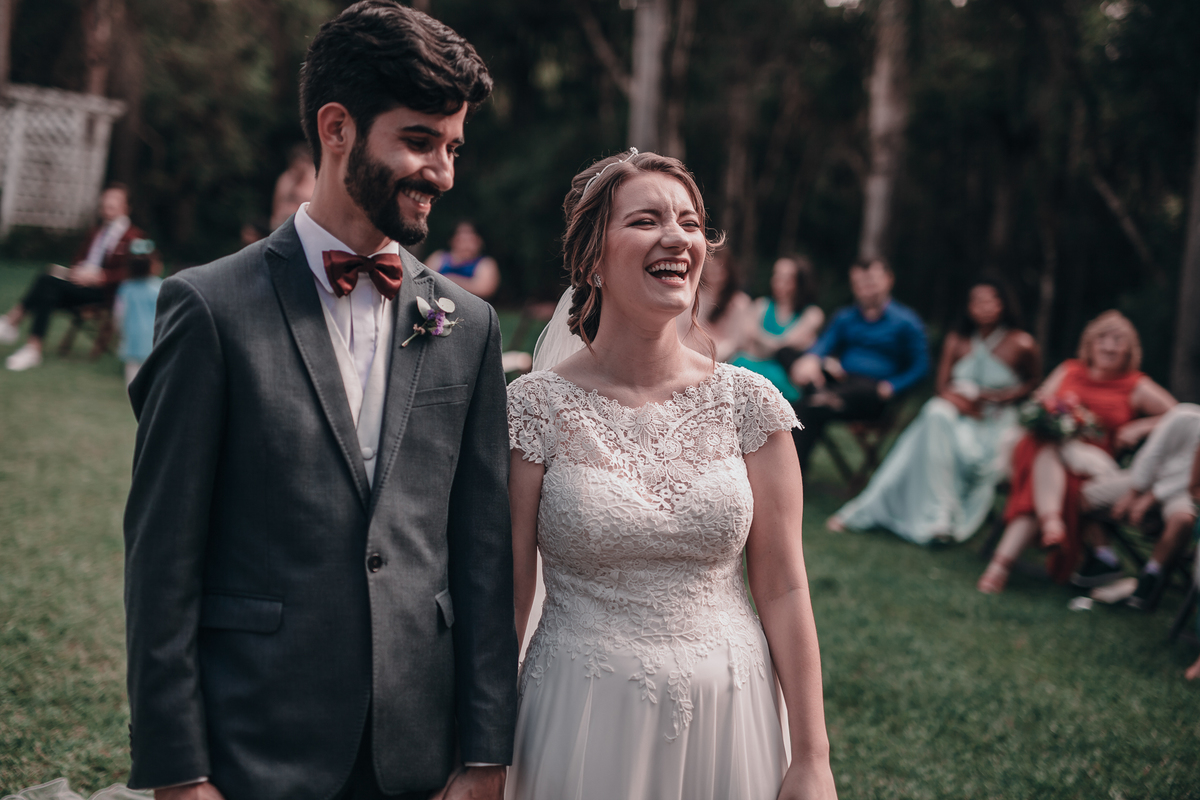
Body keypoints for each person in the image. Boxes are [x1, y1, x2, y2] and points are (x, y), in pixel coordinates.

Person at [123, 4, 514, 800]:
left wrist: (485, 754)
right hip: (256, 744)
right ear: (337, 128)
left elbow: (481, 555)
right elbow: (161, 562)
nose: (442, 172)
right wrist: (178, 773)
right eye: (419, 140)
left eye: (453, 147)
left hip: (417, 750)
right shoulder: (209, 309)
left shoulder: (469, 325)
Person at [505, 150, 838, 800]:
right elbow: (508, 598)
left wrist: (812, 756)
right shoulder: (532, 408)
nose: (678, 238)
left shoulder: (750, 404)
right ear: (592, 259)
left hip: (729, 714)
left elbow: (784, 588)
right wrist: (483, 752)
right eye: (646, 220)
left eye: (690, 223)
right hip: (578, 712)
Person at [829, 277, 1041, 544]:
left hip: (995, 422)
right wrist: (964, 404)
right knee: (936, 412)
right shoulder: (958, 340)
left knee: (931, 422)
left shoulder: (1022, 343)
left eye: (991, 300)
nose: (984, 307)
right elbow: (942, 387)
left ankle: (937, 513)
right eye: (977, 301)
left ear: (1004, 304)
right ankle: (931, 513)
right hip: (956, 415)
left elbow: (1032, 385)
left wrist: (993, 398)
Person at [977, 311, 1175, 594]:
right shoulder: (1069, 370)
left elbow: (1180, 417)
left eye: (1118, 341)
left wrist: (1142, 426)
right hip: (1042, 450)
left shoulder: (1136, 385)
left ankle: (1002, 564)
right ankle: (1049, 527)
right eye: (1102, 338)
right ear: (1090, 343)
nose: (1109, 347)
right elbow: (1040, 404)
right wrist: (1054, 416)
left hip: (1090, 467)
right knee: (1044, 444)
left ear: (1129, 350)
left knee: (1051, 476)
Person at [785, 258, 929, 472]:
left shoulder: (907, 322)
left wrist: (892, 386)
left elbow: (921, 367)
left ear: (889, 280)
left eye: (871, 282)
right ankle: (824, 398)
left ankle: (821, 398)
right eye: (858, 283)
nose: (864, 289)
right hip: (841, 382)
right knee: (789, 354)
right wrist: (813, 360)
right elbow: (823, 345)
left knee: (806, 409)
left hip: (872, 394)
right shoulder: (845, 317)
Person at [0, 184, 145, 371]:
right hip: (80, 284)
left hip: (103, 292)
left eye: (114, 200)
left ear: (126, 207)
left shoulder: (134, 236)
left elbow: (137, 271)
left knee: (47, 280)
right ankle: (32, 348)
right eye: (106, 199)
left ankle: (13, 324)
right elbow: (78, 258)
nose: (108, 204)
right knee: (49, 285)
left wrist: (102, 277)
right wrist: (79, 271)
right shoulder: (96, 232)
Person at [1079, 403, 1200, 610]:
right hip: (1146, 479)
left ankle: (1151, 574)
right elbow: (1152, 453)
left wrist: (1152, 497)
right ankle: (1105, 557)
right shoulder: (1184, 415)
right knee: (1085, 495)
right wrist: (1134, 493)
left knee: (1182, 519)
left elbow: (1193, 483)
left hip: (1181, 492)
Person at [729, 255, 823, 402]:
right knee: (737, 364)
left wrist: (759, 337)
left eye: (786, 277)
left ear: (799, 282)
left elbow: (783, 346)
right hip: (754, 363)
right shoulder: (761, 305)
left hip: (786, 375)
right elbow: (747, 342)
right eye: (776, 275)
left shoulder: (812, 314)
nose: (778, 281)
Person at [678, 247, 751, 363]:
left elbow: (737, 341)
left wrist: (714, 355)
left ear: (728, 272)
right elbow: (679, 330)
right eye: (711, 268)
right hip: (688, 354)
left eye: (719, 268)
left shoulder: (739, 303)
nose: (715, 273)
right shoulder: (691, 297)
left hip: (723, 359)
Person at [113, 239, 163, 387]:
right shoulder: (159, 287)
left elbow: (119, 314)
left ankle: (133, 395)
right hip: (154, 337)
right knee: (154, 374)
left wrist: (119, 332)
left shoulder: (126, 288)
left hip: (132, 336)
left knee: (132, 371)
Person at [426, 220, 501, 299]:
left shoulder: (486, 263)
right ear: (452, 240)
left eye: (470, 240)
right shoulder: (439, 256)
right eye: (461, 239)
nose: (465, 245)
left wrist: (450, 280)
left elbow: (484, 289)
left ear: (479, 241)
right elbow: (424, 279)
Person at [270, 143, 317, 229]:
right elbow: (277, 204)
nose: (300, 165)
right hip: (284, 221)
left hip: (306, 222)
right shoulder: (286, 178)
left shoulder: (315, 178)